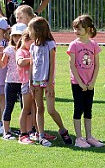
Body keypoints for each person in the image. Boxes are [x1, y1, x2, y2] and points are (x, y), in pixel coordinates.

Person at [28, 17, 73, 147]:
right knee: (39, 108)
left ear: (38, 30)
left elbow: (52, 65)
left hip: (47, 81)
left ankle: (63, 130)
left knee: (51, 109)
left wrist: (49, 83)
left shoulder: (50, 45)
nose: (28, 32)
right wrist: (30, 81)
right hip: (36, 81)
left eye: (30, 29)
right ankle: (41, 135)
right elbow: (32, 64)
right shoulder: (32, 46)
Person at [67, 14, 104, 148]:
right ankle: (78, 138)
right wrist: (81, 83)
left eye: (79, 29)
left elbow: (97, 64)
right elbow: (72, 65)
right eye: (75, 29)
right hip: (78, 83)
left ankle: (89, 137)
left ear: (88, 30)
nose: (76, 31)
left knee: (88, 110)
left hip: (90, 84)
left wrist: (92, 82)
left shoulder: (94, 45)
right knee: (79, 109)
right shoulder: (73, 45)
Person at [0, 23, 27, 140]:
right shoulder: (9, 49)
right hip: (11, 81)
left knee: (25, 107)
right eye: (15, 36)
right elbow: (2, 64)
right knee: (9, 106)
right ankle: (6, 131)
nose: (17, 38)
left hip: (24, 81)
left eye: (20, 36)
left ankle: (26, 130)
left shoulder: (26, 49)